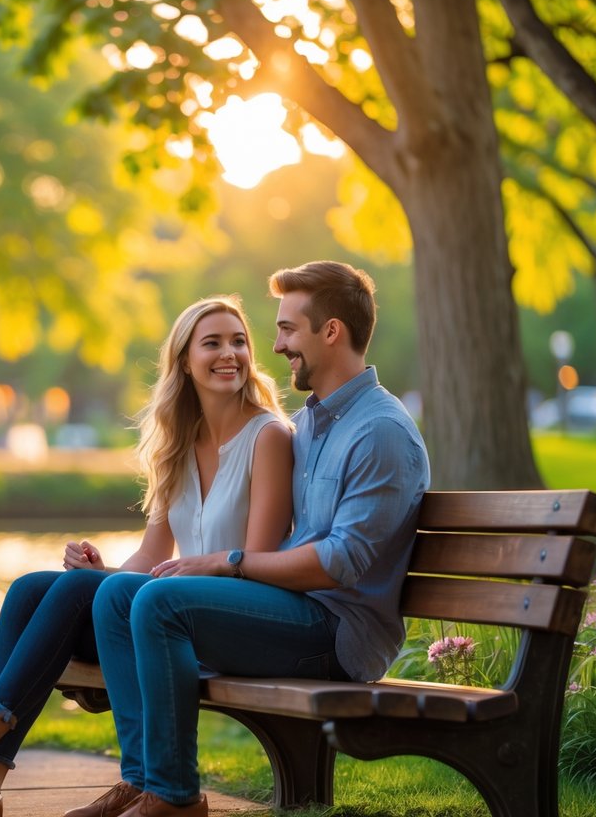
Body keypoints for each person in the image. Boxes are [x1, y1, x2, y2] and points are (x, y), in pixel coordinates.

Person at [0, 295, 294, 817]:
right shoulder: (178, 445)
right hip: (170, 617)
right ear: (183, 361)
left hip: (229, 620)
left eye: (239, 341)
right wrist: (101, 572)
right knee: (32, 589)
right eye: (213, 343)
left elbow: (257, 561)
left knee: (81, 591)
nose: (230, 354)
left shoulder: (268, 437)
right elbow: (154, 555)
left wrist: (118, 584)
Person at [78, 260, 430, 817]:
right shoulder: (315, 421)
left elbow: (339, 563)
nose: (279, 344)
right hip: (295, 610)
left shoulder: (379, 430)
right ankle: (146, 778)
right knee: (120, 596)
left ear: (330, 331)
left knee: (161, 602)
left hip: (338, 636)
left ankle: (175, 798)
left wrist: (228, 562)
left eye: (289, 328)